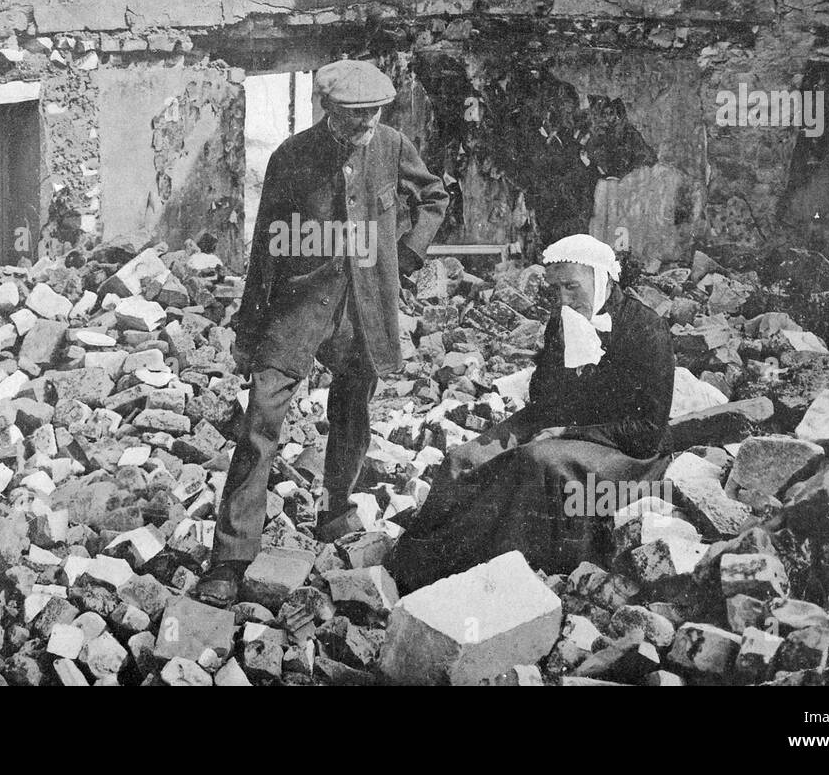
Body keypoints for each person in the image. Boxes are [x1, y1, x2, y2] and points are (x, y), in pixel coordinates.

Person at [193, 59, 449, 607]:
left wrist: (404, 255)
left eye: (374, 115)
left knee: (352, 410)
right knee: (261, 418)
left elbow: (433, 197)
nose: (366, 127)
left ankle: (335, 509)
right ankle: (231, 558)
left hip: (364, 308)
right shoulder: (292, 157)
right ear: (327, 110)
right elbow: (265, 246)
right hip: (299, 307)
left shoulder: (393, 145)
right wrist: (248, 326)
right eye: (354, 117)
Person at [388, 233, 676, 593]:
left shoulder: (646, 328)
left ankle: (490, 581)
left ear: (602, 278)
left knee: (534, 462)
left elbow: (647, 430)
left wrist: (567, 433)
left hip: (624, 450)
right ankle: (415, 570)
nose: (564, 300)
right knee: (463, 459)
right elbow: (542, 397)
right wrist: (564, 357)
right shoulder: (563, 319)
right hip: (557, 423)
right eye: (556, 290)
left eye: (572, 288)